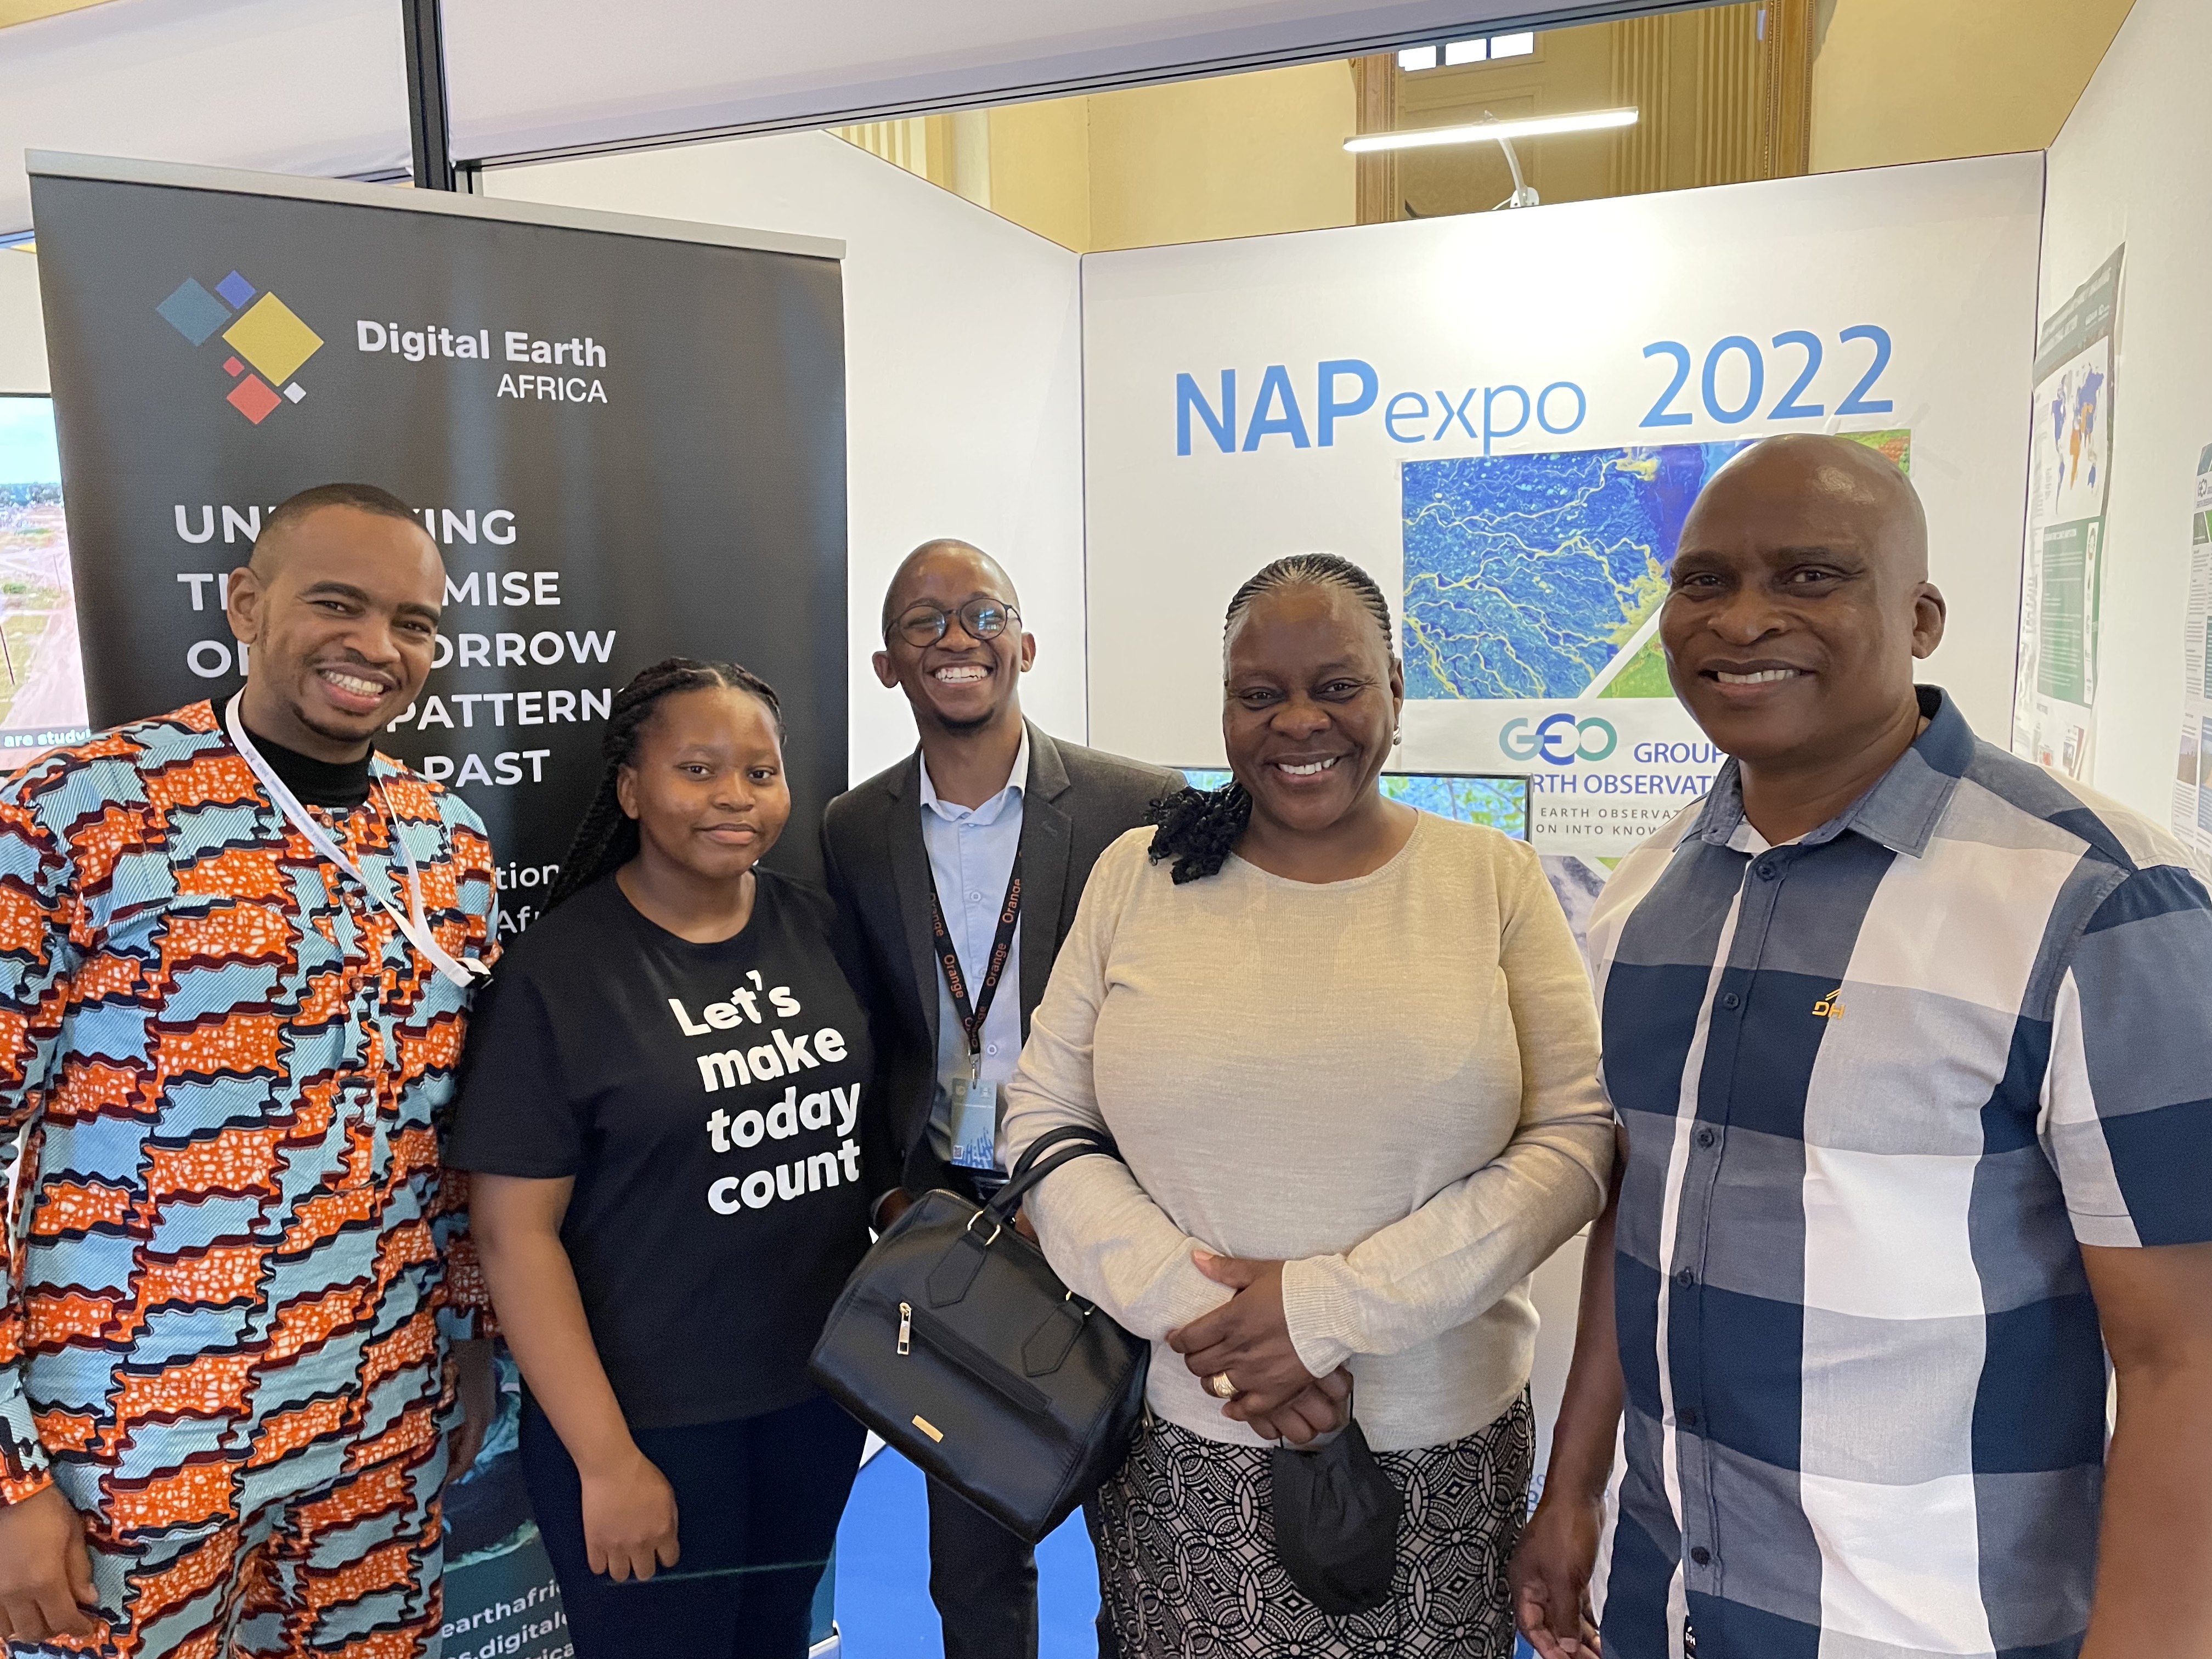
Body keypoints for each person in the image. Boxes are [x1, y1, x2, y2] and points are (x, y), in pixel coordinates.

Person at [1512, 434, 2212, 1659]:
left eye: (1812, 576)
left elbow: (2187, 1357)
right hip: (1673, 1602)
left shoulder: (2098, 902)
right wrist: (1573, 1490)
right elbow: (1652, 1206)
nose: (1744, 620)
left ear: (1922, 616)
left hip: (1939, 1628)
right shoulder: (1646, 895)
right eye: (1704, 582)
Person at [1000, 552, 1615, 1657]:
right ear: (1226, 706)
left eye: (1338, 686)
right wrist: (1205, 1318)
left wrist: (1326, 1312)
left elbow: (1574, 1142)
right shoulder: (1140, 876)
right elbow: (1042, 1117)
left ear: (1395, 700)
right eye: (1258, 693)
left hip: (1440, 1459)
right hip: (1183, 1443)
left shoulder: (1493, 882)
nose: (1298, 721)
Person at [0, 483, 498, 1656]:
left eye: (415, 622)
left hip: (379, 1431)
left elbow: (454, 1127)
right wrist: (11, 1480)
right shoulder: (77, 819)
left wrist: (470, 1341)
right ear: (246, 604)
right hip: (132, 1453)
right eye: (340, 602)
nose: (378, 647)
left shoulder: (450, 843)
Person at [449, 658, 875, 1659]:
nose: (736, 797)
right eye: (698, 769)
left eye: (761, 772)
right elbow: (514, 1237)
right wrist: (606, 1462)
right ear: (632, 790)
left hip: (812, 1405)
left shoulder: (820, 928)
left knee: (775, 1640)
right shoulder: (561, 972)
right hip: (647, 1426)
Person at [820, 538, 1181, 1659]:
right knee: (969, 1538)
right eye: (924, 622)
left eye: (983, 613)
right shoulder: (851, 827)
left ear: (1023, 642)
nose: (957, 638)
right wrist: (890, 1195)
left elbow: (1170, 1014)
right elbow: (871, 1024)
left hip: (1106, 1201)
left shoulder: (1139, 802)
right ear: (889, 665)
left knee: (1144, 1534)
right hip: (950, 1227)